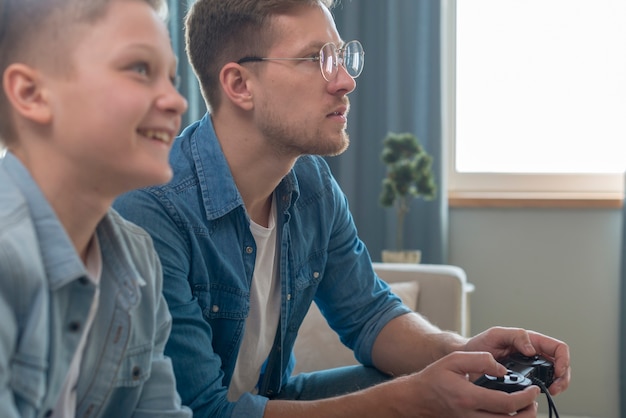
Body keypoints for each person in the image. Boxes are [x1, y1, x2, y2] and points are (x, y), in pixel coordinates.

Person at [114, 0, 571, 416]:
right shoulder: (154, 209)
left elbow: (369, 315)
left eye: (341, 55)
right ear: (239, 84)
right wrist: (411, 400)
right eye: (317, 59)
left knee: (461, 390)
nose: (346, 80)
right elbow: (201, 410)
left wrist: (465, 354)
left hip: (273, 401)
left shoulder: (310, 183)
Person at [0, 0, 191, 417]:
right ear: (31, 94)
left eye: (172, 78)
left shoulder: (140, 260)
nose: (177, 101)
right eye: (140, 69)